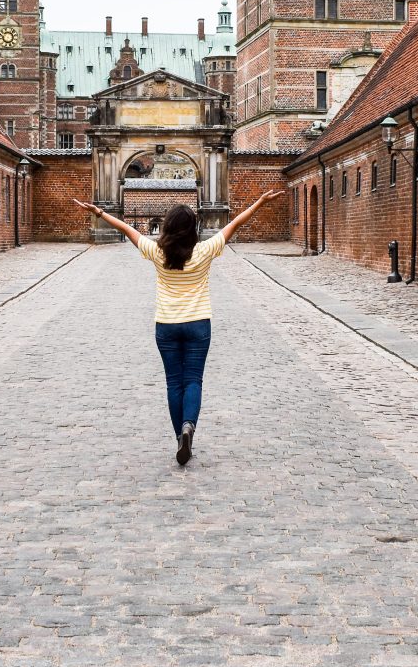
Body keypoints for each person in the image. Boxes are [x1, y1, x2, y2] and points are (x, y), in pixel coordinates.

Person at [73, 189, 285, 465]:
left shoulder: (157, 252)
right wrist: (258, 201)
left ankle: (179, 438)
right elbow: (236, 223)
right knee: (193, 379)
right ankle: (189, 427)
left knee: (174, 382)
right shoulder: (206, 250)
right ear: (193, 228)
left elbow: (127, 229)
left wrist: (99, 213)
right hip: (198, 323)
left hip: (166, 324)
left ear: (168, 227)